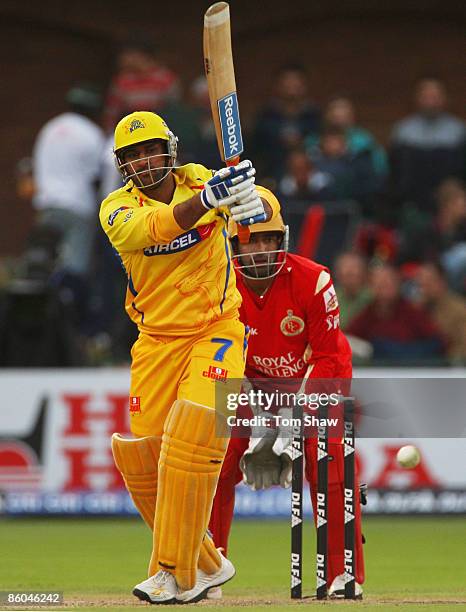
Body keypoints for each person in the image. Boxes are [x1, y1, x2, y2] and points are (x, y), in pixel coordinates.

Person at [100, 110, 281, 604]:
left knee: (194, 429)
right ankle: (206, 564)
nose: (144, 160)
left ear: (170, 149)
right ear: (122, 165)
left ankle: (167, 569)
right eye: (133, 155)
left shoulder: (199, 177)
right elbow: (157, 228)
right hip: (156, 341)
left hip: (217, 329)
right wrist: (208, 202)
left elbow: (255, 210)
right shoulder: (115, 209)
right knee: (142, 459)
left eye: (151, 149)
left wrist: (250, 201)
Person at [209, 214, 365, 599]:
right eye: (251, 240)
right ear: (235, 244)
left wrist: (294, 419)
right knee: (213, 458)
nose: (261, 250)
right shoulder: (217, 283)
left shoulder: (314, 280)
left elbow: (327, 356)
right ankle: (205, 565)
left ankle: (341, 573)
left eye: (269, 239)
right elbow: (219, 359)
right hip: (248, 380)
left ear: (283, 238)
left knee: (326, 457)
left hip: (317, 375)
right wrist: (262, 425)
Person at [390, 77, 466, 213]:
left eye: (435, 97)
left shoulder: (458, 130)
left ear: (444, 99)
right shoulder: (403, 131)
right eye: (426, 97)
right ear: (418, 99)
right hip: (412, 202)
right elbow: (396, 172)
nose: (431, 102)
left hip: (448, 202)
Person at [347, 264, 445, 362]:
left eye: (388, 283)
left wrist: (402, 351)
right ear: (371, 287)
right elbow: (347, 339)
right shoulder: (367, 314)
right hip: (378, 372)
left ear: (397, 284)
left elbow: (437, 342)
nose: (384, 289)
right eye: (379, 284)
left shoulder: (411, 312)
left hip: (411, 370)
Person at [251, 64, 320, 183]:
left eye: (296, 81)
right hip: (272, 174)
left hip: (309, 178)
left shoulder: (313, 114)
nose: (291, 85)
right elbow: (256, 148)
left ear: (304, 85)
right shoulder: (266, 114)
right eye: (287, 81)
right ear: (278, 85)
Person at [103, 36, 180, 132]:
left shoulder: (166, 79)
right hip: (130, 132)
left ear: (139, 55)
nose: (121, 59)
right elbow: (111, 113)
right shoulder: (122, 81)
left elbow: (175, 112)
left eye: (125, 54)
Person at [415, 262, 466, 363]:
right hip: (415, 367)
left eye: (428, 283)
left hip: (448, 370)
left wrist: (443, 361)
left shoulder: (460, 310)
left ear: (442, 282)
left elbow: (463, 346)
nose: (423, 289)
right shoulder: (414, 307)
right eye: (420, 284)